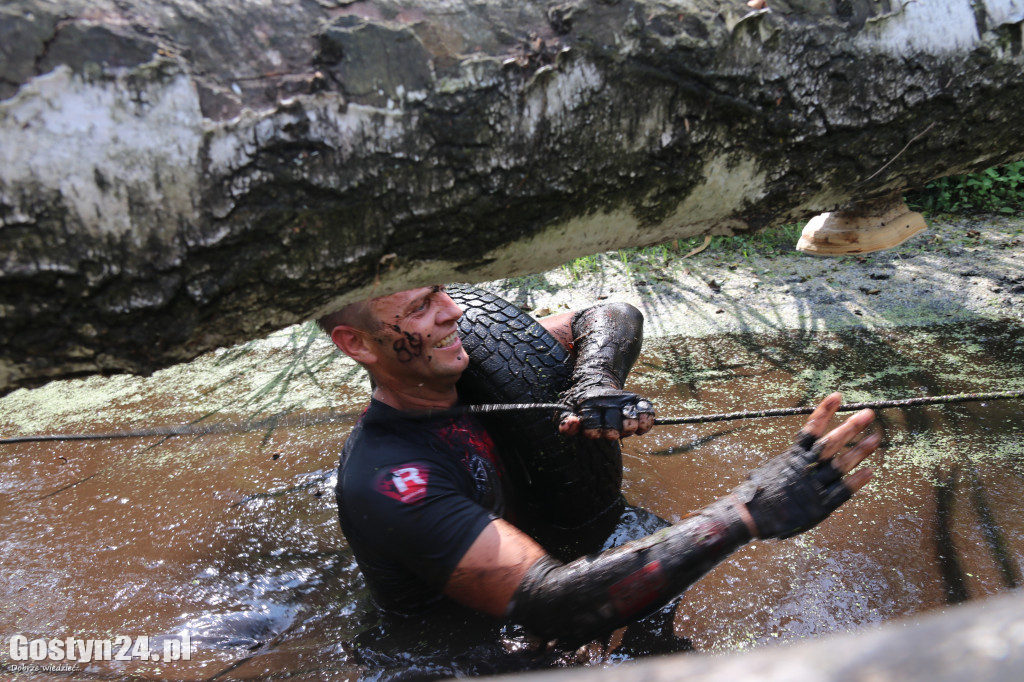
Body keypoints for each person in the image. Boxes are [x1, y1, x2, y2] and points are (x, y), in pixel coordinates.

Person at [321, 284, 878, 645]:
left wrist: (594, 379)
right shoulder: (390, 479)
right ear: (357, 343)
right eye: (420, 309)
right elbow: (546, 605)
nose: (455, 311)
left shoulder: (470, 361)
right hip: (465, 651)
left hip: (550, 561)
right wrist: (748, 514)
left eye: (439, 292)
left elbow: (610, 311)